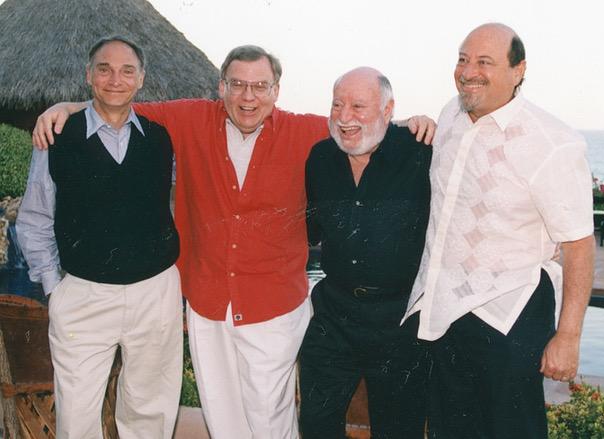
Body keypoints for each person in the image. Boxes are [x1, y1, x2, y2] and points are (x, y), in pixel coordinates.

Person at [31, 45, 435, 439]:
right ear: (220, 87)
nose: (248, 96)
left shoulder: (305, 130)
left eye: (260, 86)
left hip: (274, 305)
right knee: (221, 415)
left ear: (276, 91)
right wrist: (64, 109)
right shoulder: (189, 119)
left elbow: (359, 128)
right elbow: (119, 106)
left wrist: (413, 123)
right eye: (237, 84)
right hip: (209, 303)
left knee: (269, 417)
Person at [404, 23, 595, 439]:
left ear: (518, 70)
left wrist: (568, 336)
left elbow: (579, 244)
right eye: (462, 59)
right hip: (445, 313)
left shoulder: (552, 143)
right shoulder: (449, 115)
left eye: (484, 62)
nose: (468, 71)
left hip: (510, 313)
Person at [16, 36, 182, 439]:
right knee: (76, 414)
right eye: (104, 69)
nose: (115, 79)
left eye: (127, 70)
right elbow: (34, 217)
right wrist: (56, 288)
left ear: (141, 79)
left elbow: (175, 205)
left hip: (154, 292)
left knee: (150, 410)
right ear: (88, 75)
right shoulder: (57, 135)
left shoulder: (162, 138)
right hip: (83, 295)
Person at [299, 67, 431, 438]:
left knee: (398, 429)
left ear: (388, 110)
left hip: (400, 322)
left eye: (358, 106)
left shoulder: (421, 152)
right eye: (337, 104)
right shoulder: (321, 158)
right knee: (316, 424)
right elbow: (311, 230)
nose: (344, 117)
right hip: (334, 317)